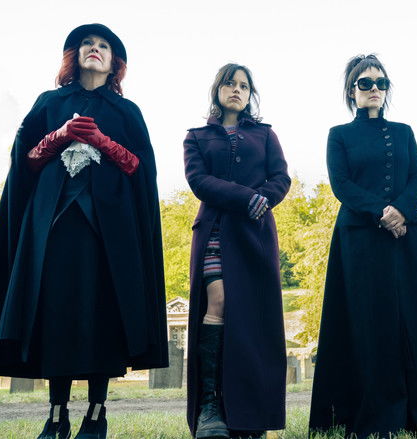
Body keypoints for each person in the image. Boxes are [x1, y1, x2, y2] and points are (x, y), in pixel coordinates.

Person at [0, 23, 168, 439]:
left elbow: (140, 170)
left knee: (104, 312)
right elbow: (25, 161)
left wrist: (103, 141)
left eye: (104, 45)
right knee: (57, 313)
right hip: (54, 225)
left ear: (115, 62)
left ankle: (96, 414)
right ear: (75, 55)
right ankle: (57, 416)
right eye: (87, 43)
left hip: (111, 232)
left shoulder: (128, 111)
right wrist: (58, 136)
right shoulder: (50, 102)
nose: (95, 48)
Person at [309, 54, 417, 439]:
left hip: (407, 236)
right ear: (351, 91)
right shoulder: (339, 134)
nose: (374, 89)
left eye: (381, 83)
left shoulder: (403, 132)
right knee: (370, 322)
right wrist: (381, 212)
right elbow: (341, 184)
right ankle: (375, 414)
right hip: (360, 239)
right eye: (365, 83)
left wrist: (401, 211)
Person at [183, 63, 291, 439]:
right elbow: (198, 180)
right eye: (230, 84)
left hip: (255, 234)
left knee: (251, 316)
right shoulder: (196, 136)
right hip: (214, 230)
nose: (237, 90)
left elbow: (281, 177)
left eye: (244, 86)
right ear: (218, 90)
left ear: (250, 95)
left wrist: (265, 198)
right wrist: (247, 197)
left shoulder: (265, 134)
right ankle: (210, 407)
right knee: (219, 302)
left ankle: (250, 414)